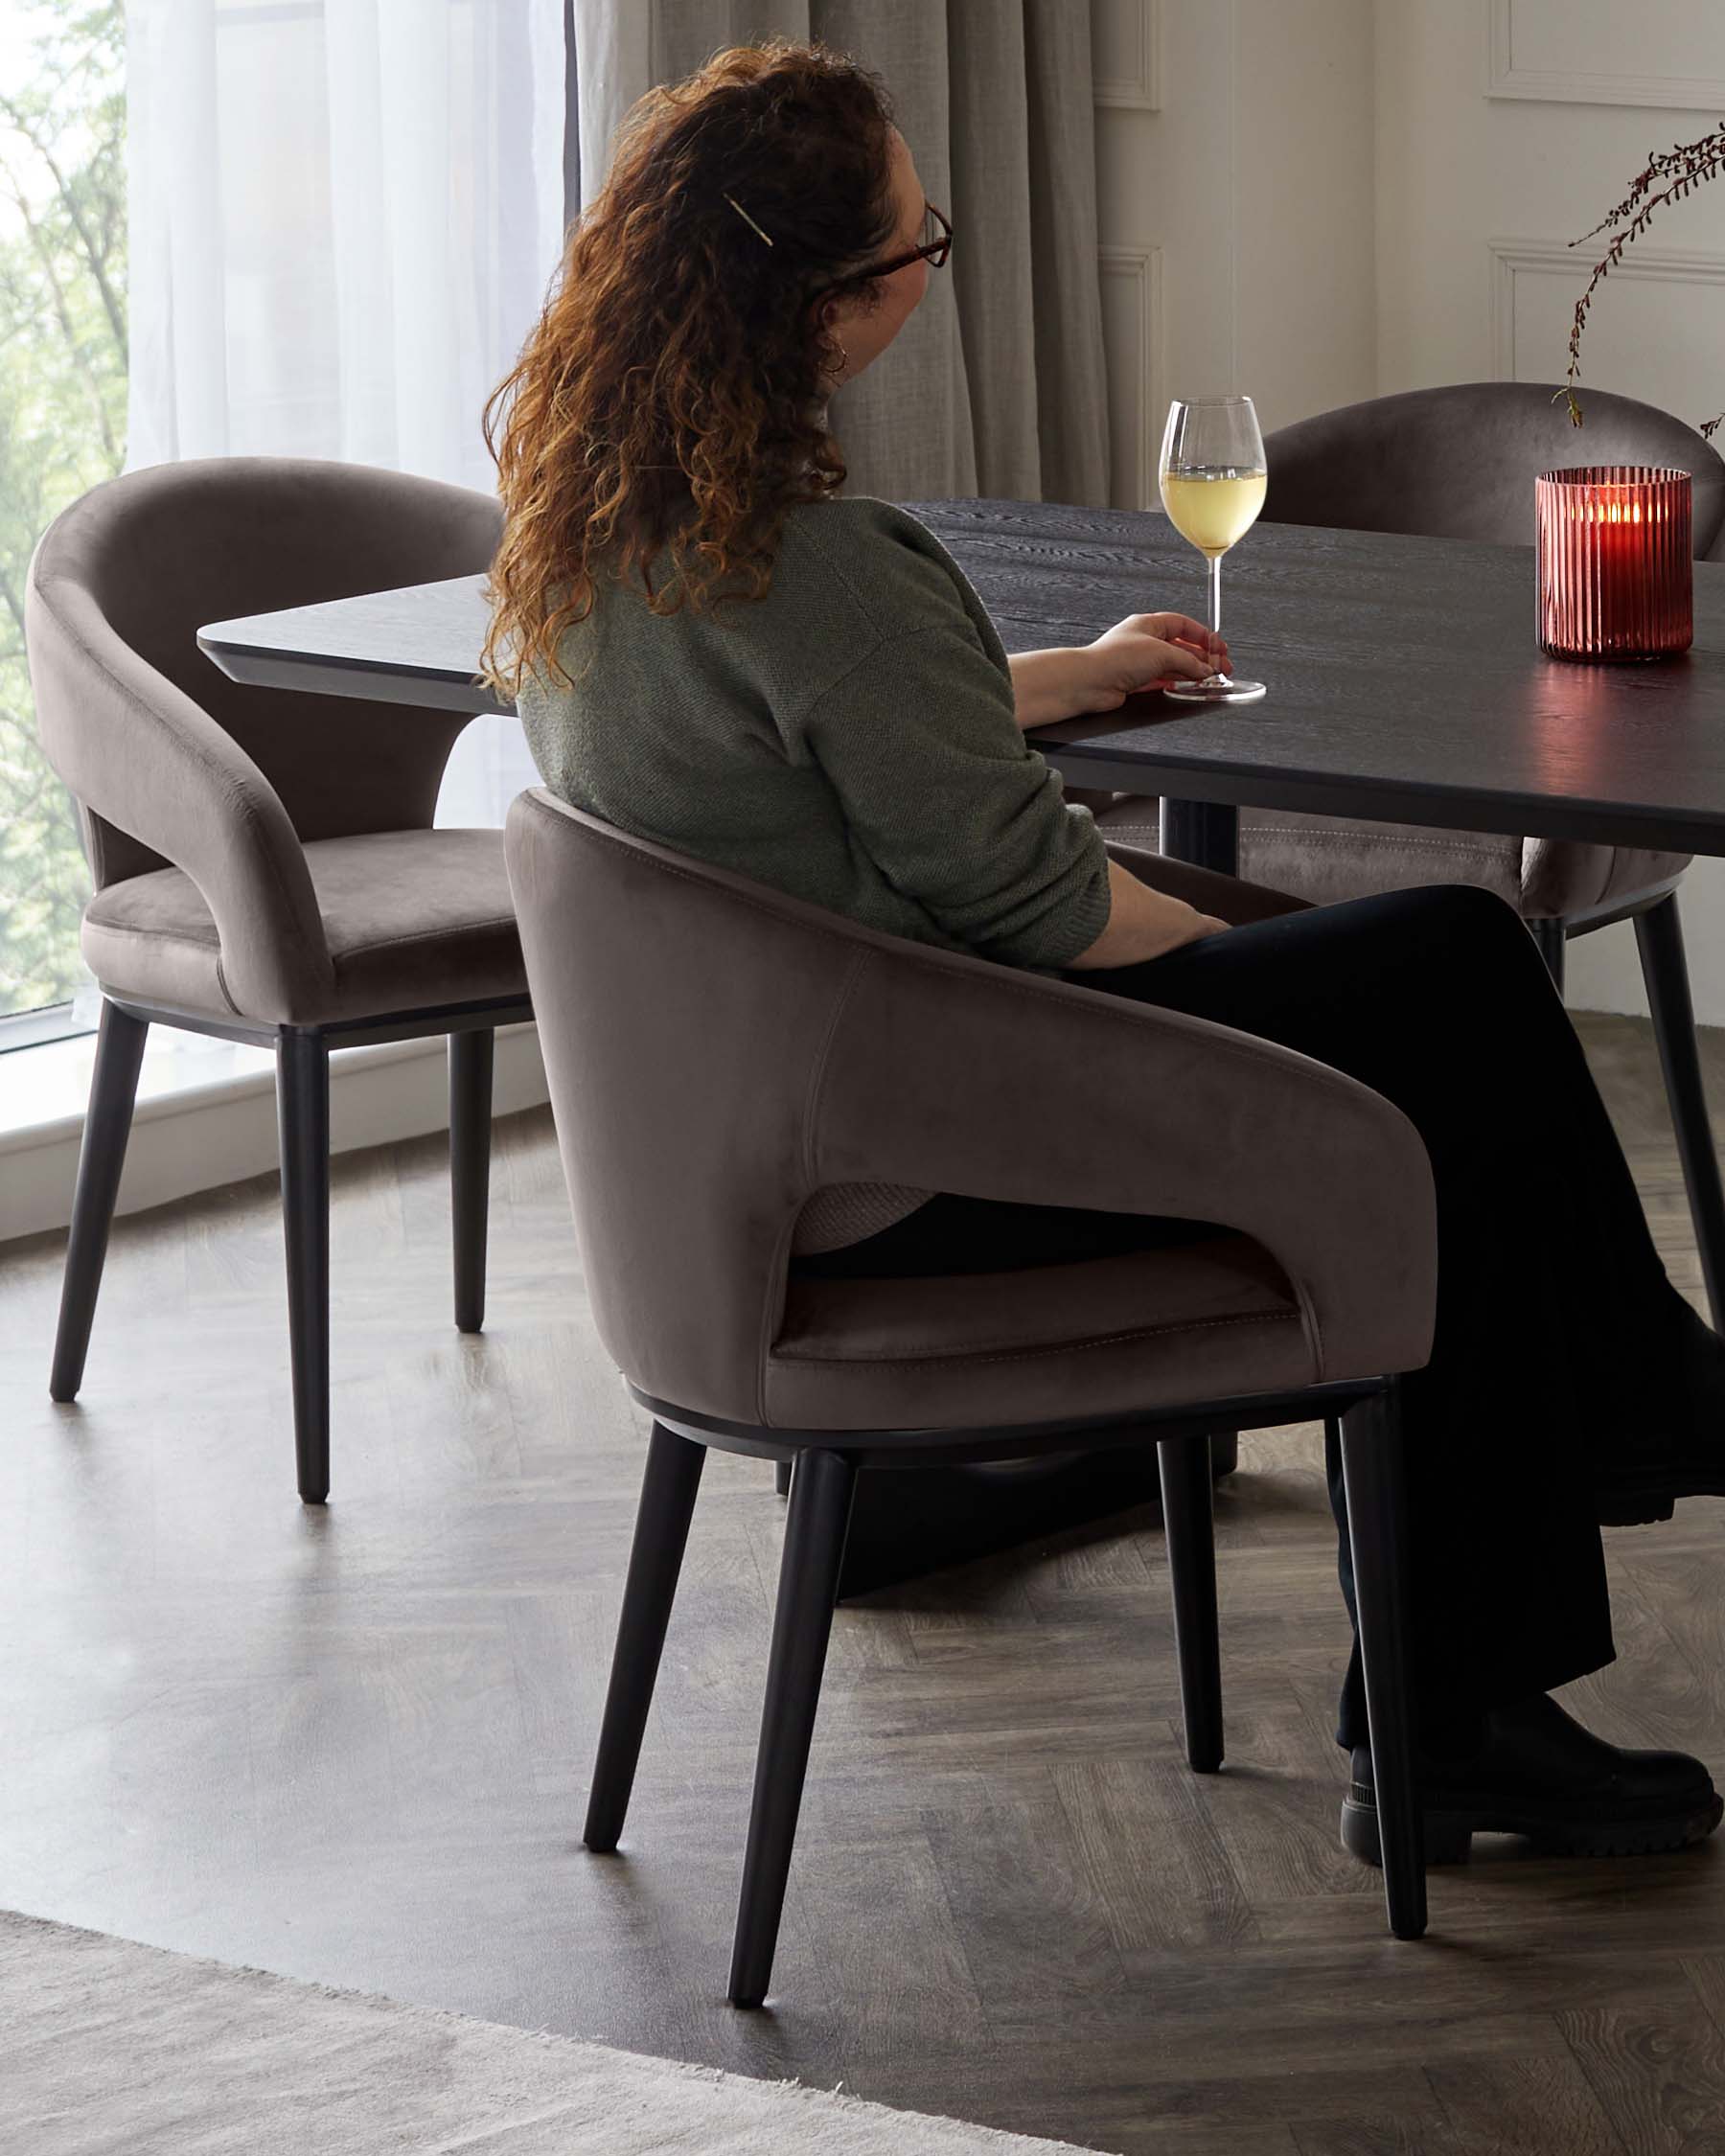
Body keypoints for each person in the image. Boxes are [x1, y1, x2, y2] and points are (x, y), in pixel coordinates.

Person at [482, 38, 1725, 1866]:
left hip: (757, 1165)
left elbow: (803, 740)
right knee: (1451, 982)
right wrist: (1286, 966)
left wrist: (1056, 683)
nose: (932, 265)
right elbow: (1049, 911)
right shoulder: (826, 565)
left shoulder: (601, 537)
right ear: (829, 304)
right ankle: (1588, 1495)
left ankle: (1502, 1629)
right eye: (925, 242)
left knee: (1434, 1026)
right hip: (934, 1161)